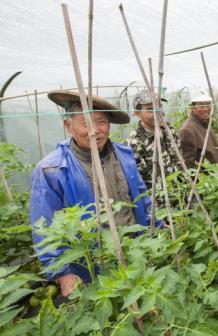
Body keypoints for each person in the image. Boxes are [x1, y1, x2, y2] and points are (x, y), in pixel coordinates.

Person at [30, 90, 162, 297]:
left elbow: (141, 198)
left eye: (101, 122)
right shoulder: (51, 170)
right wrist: (63, 273)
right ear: (68, 126)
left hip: (134, 251)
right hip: (90, 264)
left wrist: (159, 225)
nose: (95, 130)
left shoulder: (124, 155)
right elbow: (44, 226)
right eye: (86, 123)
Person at [125, 89, 181, 189]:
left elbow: (179, 163)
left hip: (180, 197)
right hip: (156, 202)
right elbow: (137, 183)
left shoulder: (169, 131)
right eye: (150, 109)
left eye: (159, 107)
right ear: (137, 114)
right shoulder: (135, 142)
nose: (158, 112)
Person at [179, 90, 218, 169]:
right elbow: (188, 165)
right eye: (201, 105)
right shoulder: (188, 130)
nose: (205, 109)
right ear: (193, 108)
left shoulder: (204, 123)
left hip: (216, 175)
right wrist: (204, 179)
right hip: (206, 179)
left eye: (208, 104)